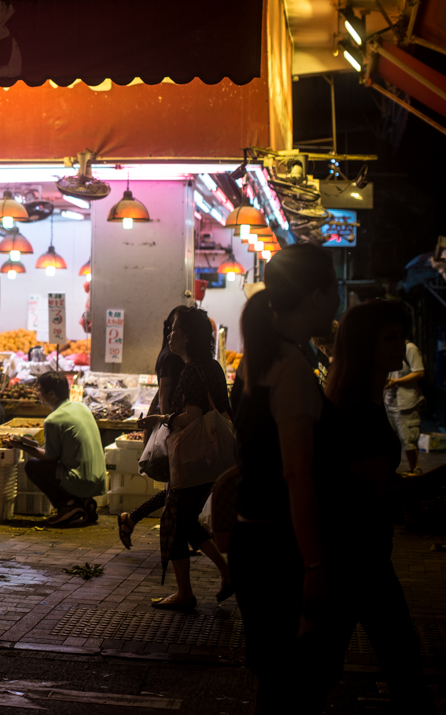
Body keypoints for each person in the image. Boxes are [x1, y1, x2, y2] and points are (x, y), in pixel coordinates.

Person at [231, 243, 341, 712]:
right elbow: (297, 474)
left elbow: (258, 453)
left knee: (273, 681)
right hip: (283, 551)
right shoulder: (292, 369)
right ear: (317, 296)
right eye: (335, 291)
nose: (338, 302)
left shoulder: (259, 358)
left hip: (254, 542)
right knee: (297, 684)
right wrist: (315, 567)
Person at [324, 300, 440, 711]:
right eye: (389, 337)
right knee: (401, 662)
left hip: (358, 555)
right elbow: (381, 489)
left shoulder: (365, 404)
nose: (399, 345)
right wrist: (438, 479)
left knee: (324, 669)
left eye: (400, 336)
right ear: (362, 345)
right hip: (356, 558)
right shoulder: (357, 412)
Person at [137, 307, 233, 610]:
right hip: (213, 458)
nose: (170, 334)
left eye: (175, 329)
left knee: (174, 522)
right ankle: (226, 573)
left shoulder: (191, 371)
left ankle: (184, 593)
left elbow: (191, 417)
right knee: (187, 521)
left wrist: (161, 418)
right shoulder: (213, 366)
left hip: (192, 459)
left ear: (188, 336)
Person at [118, 305, 187, 549]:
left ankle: (133, 519)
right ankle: (183, 537)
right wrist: (167, 423)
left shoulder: (170, 354)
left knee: (177, 487)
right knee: (177, 487)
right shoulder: (170, 357)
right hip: (172, 422)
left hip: (172, 420)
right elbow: (165, 394)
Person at [9, 372, 106, 526]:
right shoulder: (81, 407)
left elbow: (50, 457)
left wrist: (21, 446)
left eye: (40, 390)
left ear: (51, 394)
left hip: (80, 481)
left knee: (32, 466)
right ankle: (83, 502)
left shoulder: (53, 420)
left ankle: (67, 505)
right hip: (98, 481)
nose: (37, 394)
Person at [384, 336, 425, 473]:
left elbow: (419, 372)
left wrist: (396, 382)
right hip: (389, 403)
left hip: (406, 403)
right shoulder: (387, 348)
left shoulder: (410, 348)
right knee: (390, 442)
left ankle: (415, 473)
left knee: (409, 441)